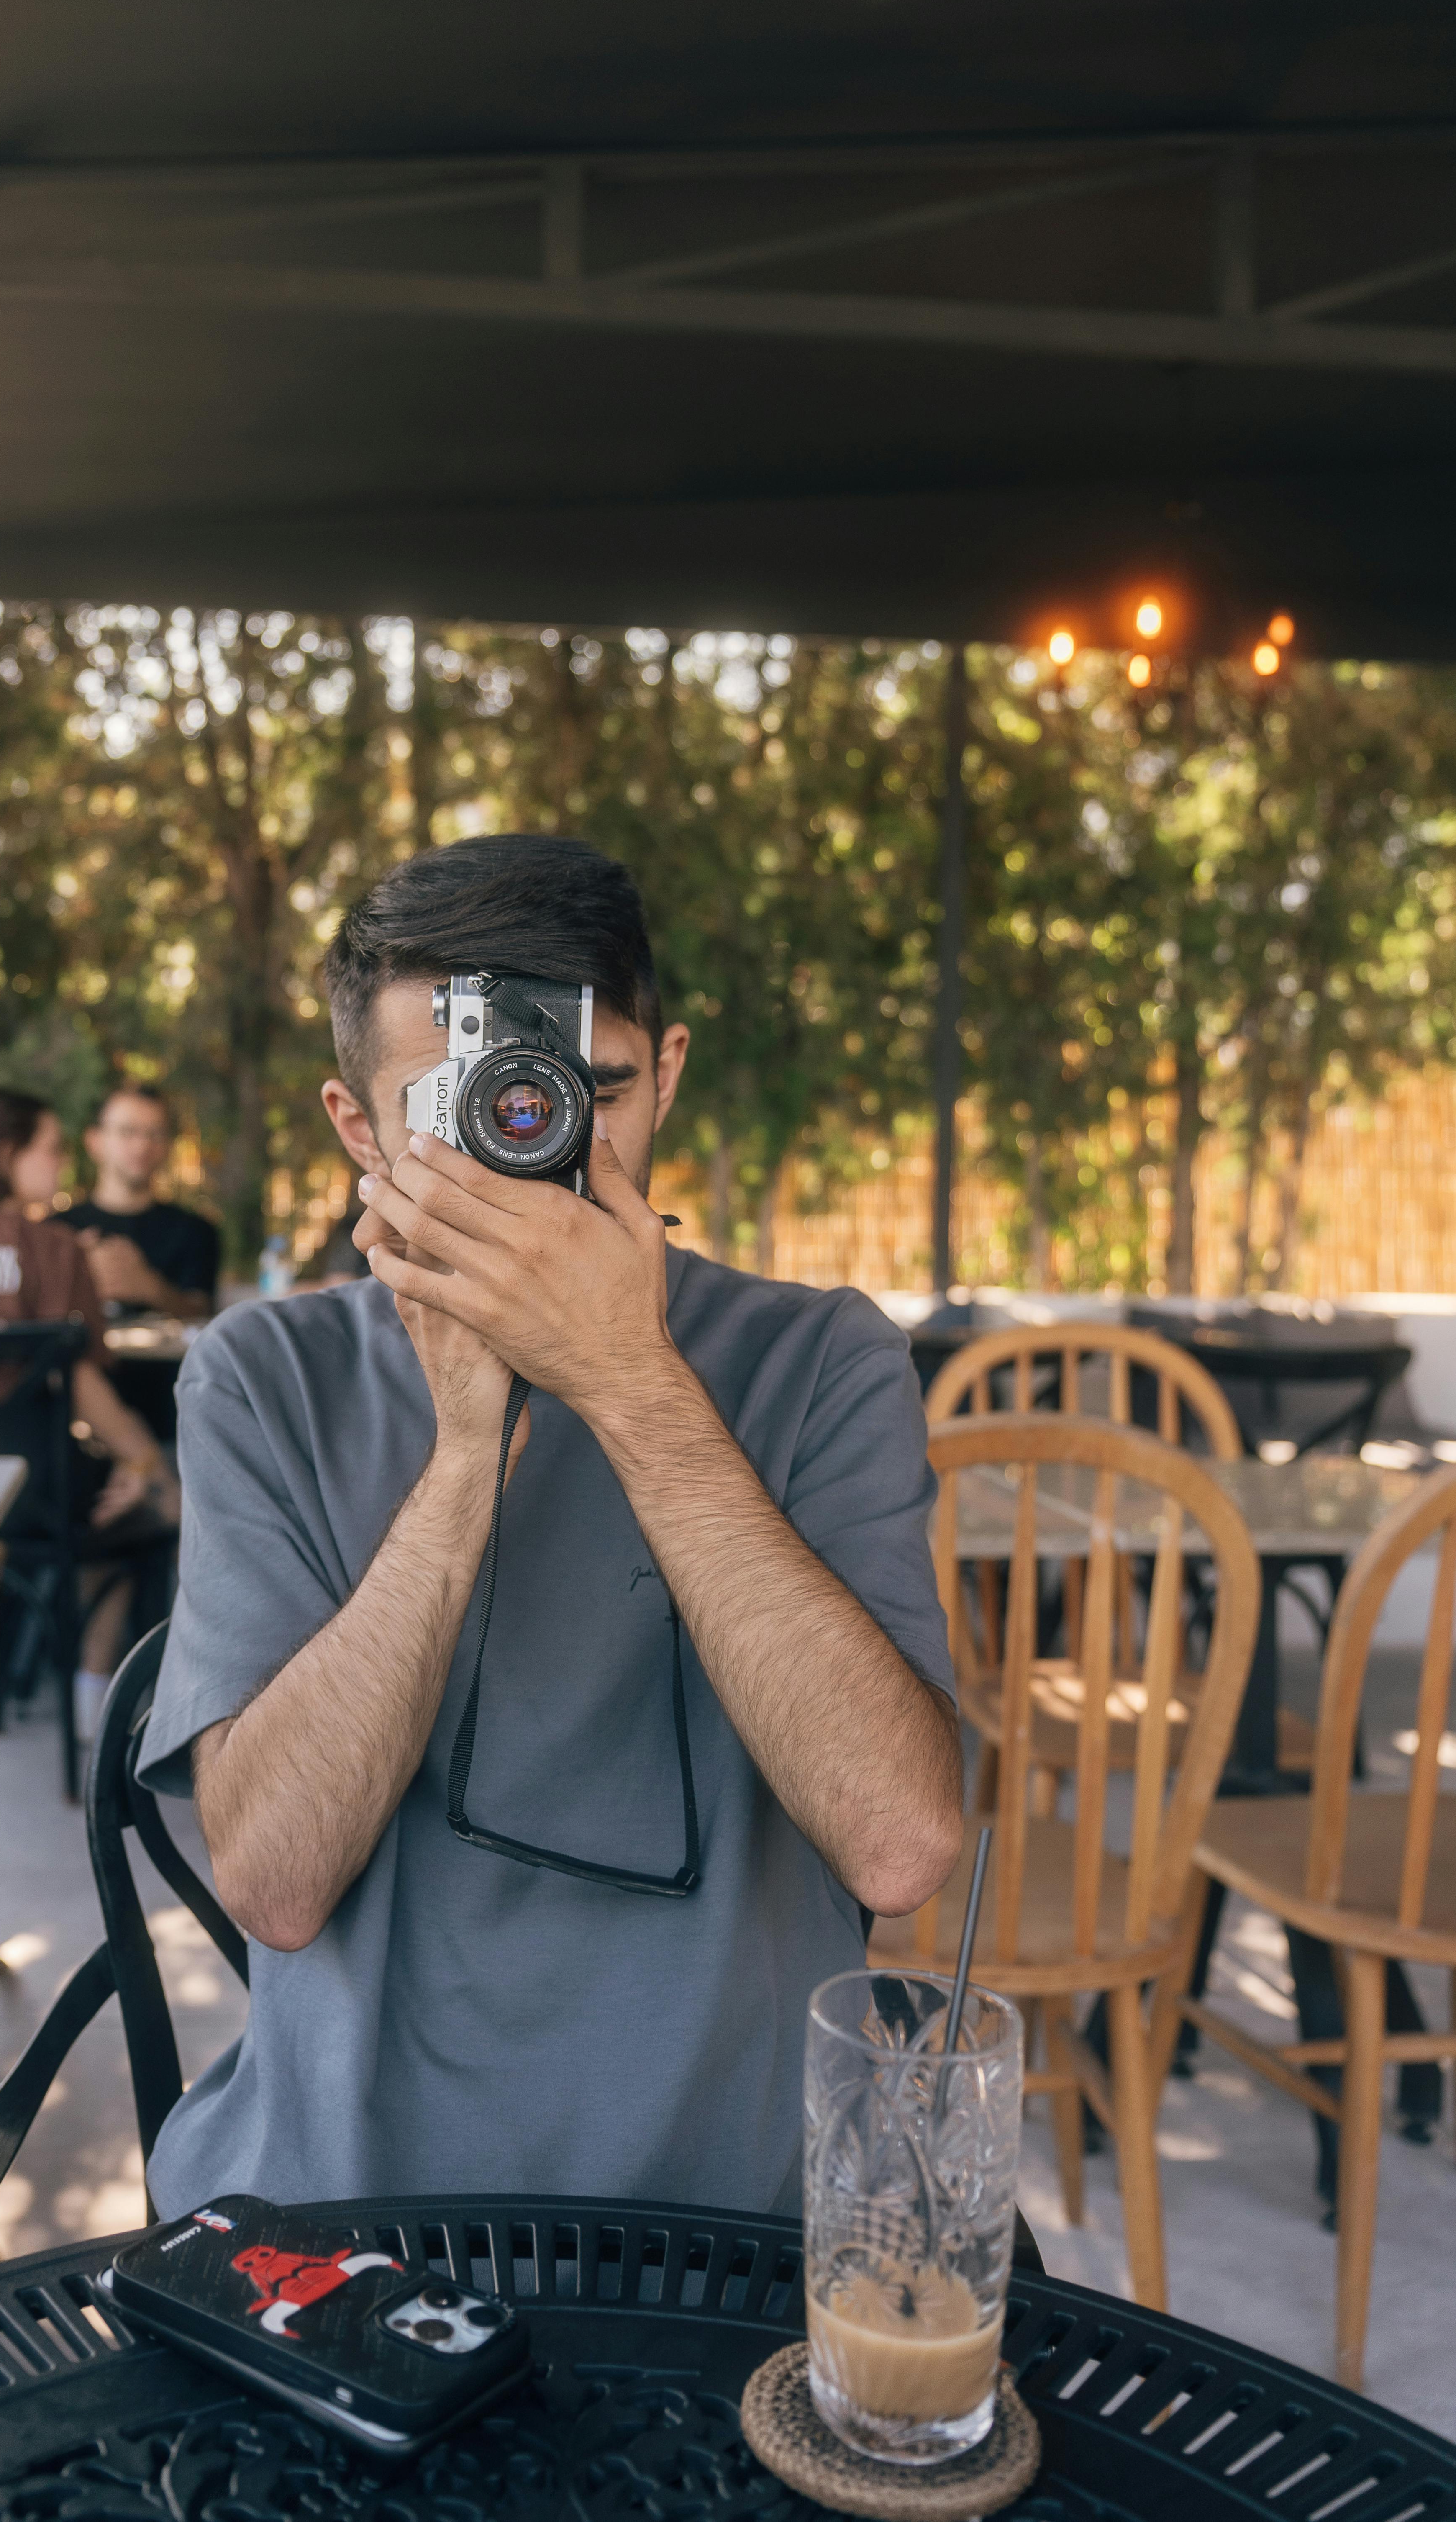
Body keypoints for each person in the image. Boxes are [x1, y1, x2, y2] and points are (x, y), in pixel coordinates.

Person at [138, 834, 962, 2220]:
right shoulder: (267, 1376)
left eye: (591, 1088)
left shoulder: (819, 1358)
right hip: (340, 2207)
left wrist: (631, 1380)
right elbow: (273, 1882)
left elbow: (899, 1844)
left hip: (730, 2224)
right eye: (461, 1098)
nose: (531, 1130)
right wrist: (466, 1453)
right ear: (357, 1127)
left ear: (671, 1075)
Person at [0, 1086, 179, 1740]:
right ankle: (102, 1704)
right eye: (52, 1149)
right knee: (166, 1505)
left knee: (113, 1491)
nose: (62, 1165)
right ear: (8, 1155)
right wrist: (143, 1463)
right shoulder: (56, 1250)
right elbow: (85, 1388)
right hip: (37, 1496)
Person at [65, 1085, 220, 1319]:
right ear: (94, 1141)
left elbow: (204, 1319)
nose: (143, 1146)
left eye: (156, 1134)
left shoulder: (196, 1232)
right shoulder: (55, 1232)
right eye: (128, 1132)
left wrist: (149, 1287)